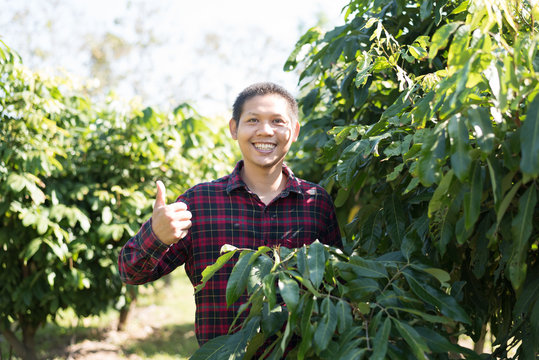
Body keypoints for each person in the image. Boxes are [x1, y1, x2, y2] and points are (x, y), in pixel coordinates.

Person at [118, 82, 342, 346]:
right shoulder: (199, 203)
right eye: (253, 120)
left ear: (294, 132)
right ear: (234, 129)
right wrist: (156, 236)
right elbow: (131, 272)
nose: (265, 130)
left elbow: (335, 288)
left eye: (277, 121)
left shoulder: (316, 202)